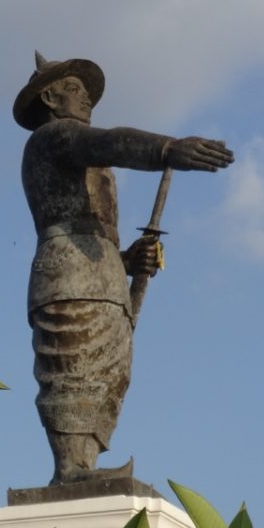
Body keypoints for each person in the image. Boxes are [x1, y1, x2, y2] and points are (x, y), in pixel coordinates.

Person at [14, 53, 233, 484]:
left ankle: (84, 464)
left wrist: (129, 260)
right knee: (72, 365)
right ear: (49, 96)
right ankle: (70, 468)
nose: (87, 100)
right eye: (76, 90)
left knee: (107, 371)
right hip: (69, 272)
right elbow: (109, 141)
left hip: (101, 275)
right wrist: (166, 149)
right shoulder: (53, 137)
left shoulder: (72, 142)